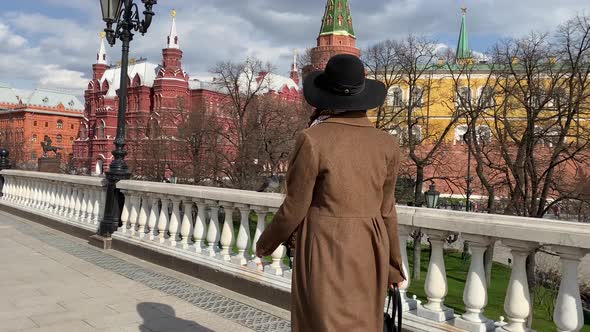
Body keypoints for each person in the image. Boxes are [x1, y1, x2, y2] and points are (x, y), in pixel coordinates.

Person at [255, 54, 406, 332]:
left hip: (323, 247)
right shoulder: (387, 144)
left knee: (321, 323)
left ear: (327, 96)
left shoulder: (313, 139)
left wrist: (263, 246)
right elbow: (387, 211)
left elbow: (295, 206)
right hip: (370, 249)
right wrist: (394, 267)